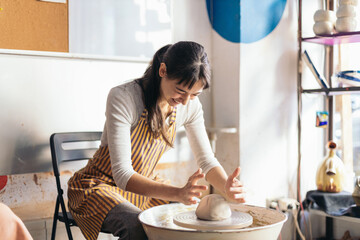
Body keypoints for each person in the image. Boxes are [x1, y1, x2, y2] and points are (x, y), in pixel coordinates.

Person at [67, 41, 245, 240]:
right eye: (180, 90)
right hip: (99, 186)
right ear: (162, 70)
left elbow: (206, 161)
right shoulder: (123, 97)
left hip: (145, 188)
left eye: (194, 94)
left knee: (186, 223)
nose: (185, 101)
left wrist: (225, 185)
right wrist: (178, 193)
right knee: (137, 226)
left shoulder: (190, 106)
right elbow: (123, 174)